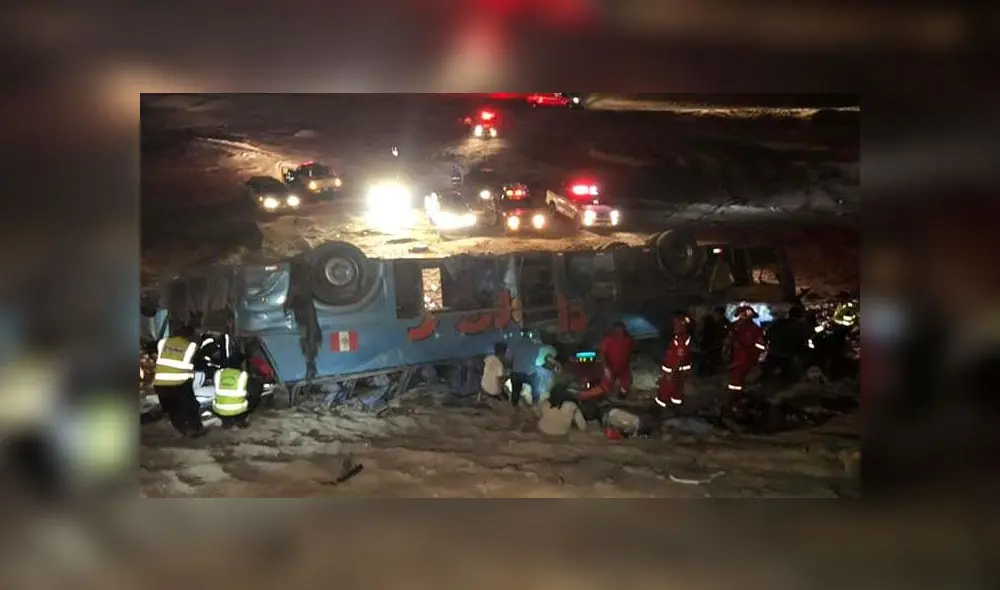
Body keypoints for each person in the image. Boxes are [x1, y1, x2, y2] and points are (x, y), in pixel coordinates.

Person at [153, 323, 206, 438]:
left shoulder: (163, 342)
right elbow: (199, 364)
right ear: (190, 336)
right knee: (191, 406)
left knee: (173, 410)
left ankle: (182, 430)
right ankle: (196, 429)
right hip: (179, 383)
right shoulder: (191, 346)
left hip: (160, 384)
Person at [725, 304, 768, 409]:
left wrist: (749, 351)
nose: (740, 318)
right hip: (735, 359)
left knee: (740, 381)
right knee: (734, 381)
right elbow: (727, 342)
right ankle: (735, 400)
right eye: (739, 316)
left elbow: (761, 346)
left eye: (742, 316)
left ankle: (739, 401)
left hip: (746, 360)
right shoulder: (734, 327)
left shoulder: (755, 329)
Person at [760, 304, 811, 386]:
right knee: (786, 372)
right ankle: (783, 386)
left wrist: (768, 344)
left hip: (774, 351)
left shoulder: (779, 323)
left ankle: (762, 384)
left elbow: (767, 335)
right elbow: (802, 340)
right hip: (788, 354)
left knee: (768, 370)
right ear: (801, 316)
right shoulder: (800, 327)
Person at [655, 313, 694, 408]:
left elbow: (679, 358)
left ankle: (659, 408)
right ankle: (675, 407)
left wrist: (671, 373)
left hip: (675, 371)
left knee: (666, 389)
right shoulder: (680, 338)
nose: (674, 327)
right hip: (677, 371)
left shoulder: (681, 340)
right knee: (677, 390)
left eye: (676, 325)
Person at [212, 358, 253, 429]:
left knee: (221, 399)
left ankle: (226, 422)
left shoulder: (218, 373)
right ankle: (241, 421)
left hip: (220, 409)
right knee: (251, 398)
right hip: (238, 409)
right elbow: (251, 392)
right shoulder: (243, 375)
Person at [599, 322, 635, 399]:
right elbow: (603, 355)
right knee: (606, 384)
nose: (620, 331)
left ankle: (621, 397)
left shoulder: (628, 340)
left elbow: (632, 350)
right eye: (618, 329)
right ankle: (604, 398)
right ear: (614, 330)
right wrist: (606, 368)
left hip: (623, 367)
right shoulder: (608, 341)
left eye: (621, 329)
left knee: (626, 384)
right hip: (611, 366)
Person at [697, 307, 728, 376]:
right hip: (707, 342)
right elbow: (703, 330)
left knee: (714, 359)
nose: (717, 315)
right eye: (716, 313)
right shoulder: (708, 320)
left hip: (717, 343)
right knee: (703, 358)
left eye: (719, 314)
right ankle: (700, 373)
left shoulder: (725, 322)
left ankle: (710, 372)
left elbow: (727, 331)